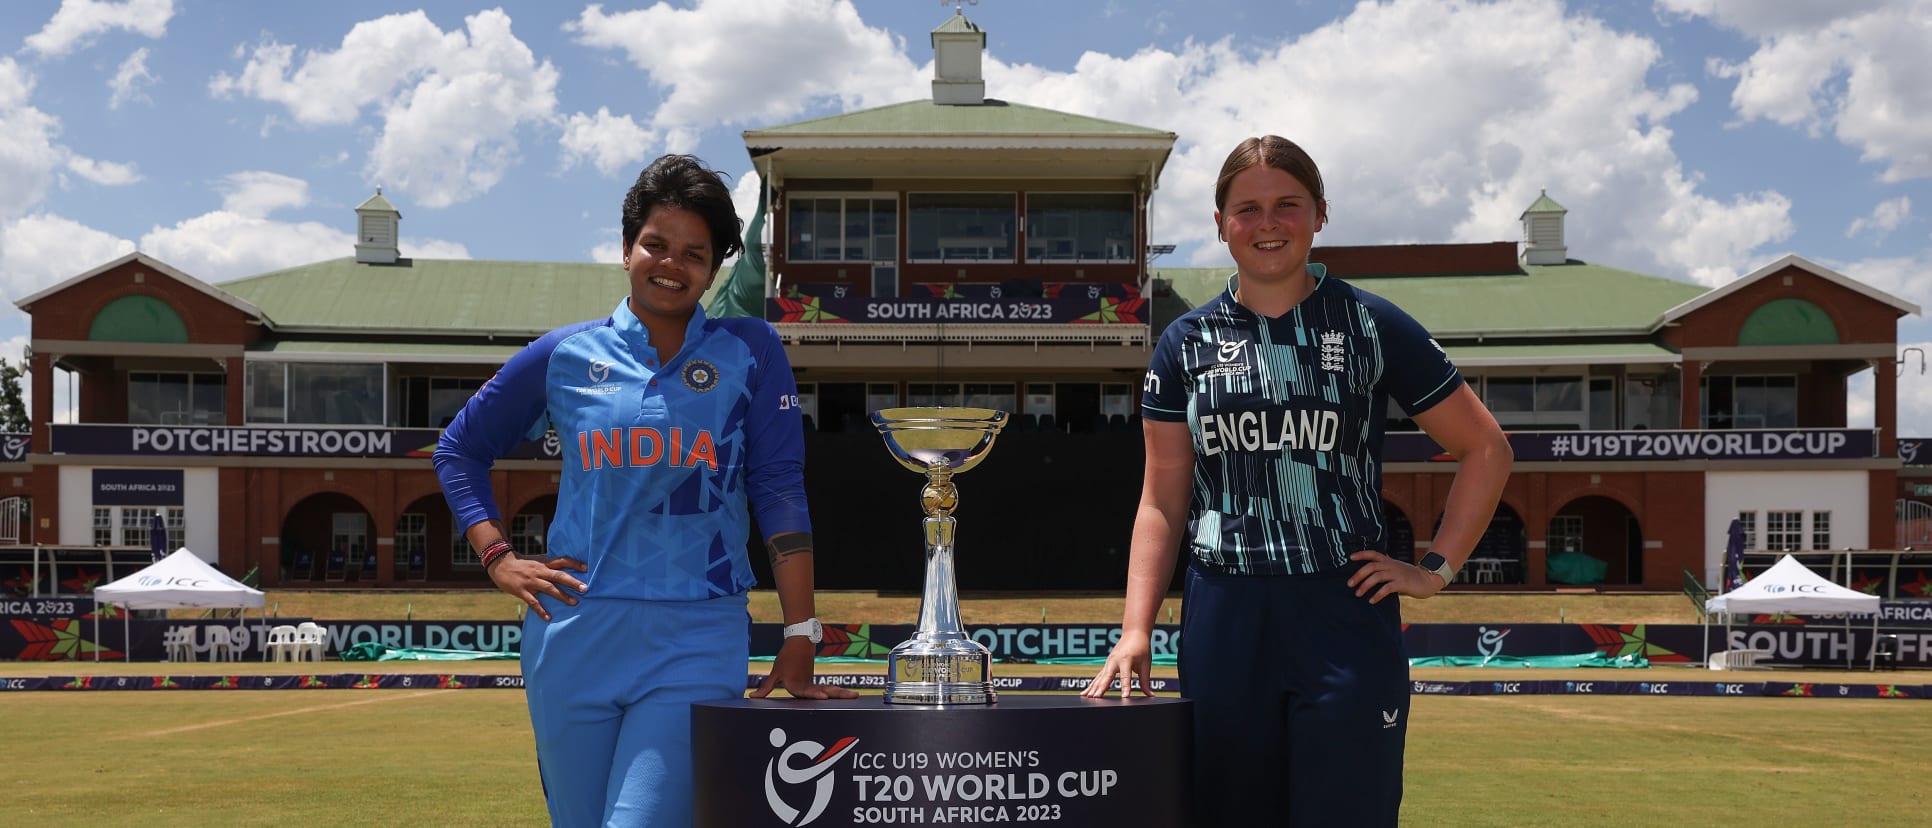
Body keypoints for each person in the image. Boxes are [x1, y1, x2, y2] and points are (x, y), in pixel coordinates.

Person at [1082, 135, 1512, 826]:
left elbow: (1485, 447)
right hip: (1224, 610)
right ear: (1219, 224)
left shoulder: (1371, 324)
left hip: (1342, 606)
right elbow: (1161, 500)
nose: (1268, 222)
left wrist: (1436, 568)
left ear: (1320, 215)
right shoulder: (1184, 343)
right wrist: (1137, 628)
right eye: (1246, 208)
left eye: (1288, 203)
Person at [435, 153, 857, 827]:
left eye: (695, 253)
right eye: (655, 245)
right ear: (626, 247)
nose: (671, 264)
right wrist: (498, 557)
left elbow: (778, 489)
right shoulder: (565, 354)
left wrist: (800, 629)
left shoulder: (750, 351)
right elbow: (459, 449)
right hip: (572, 631)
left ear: (716, 265)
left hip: (698, 631)